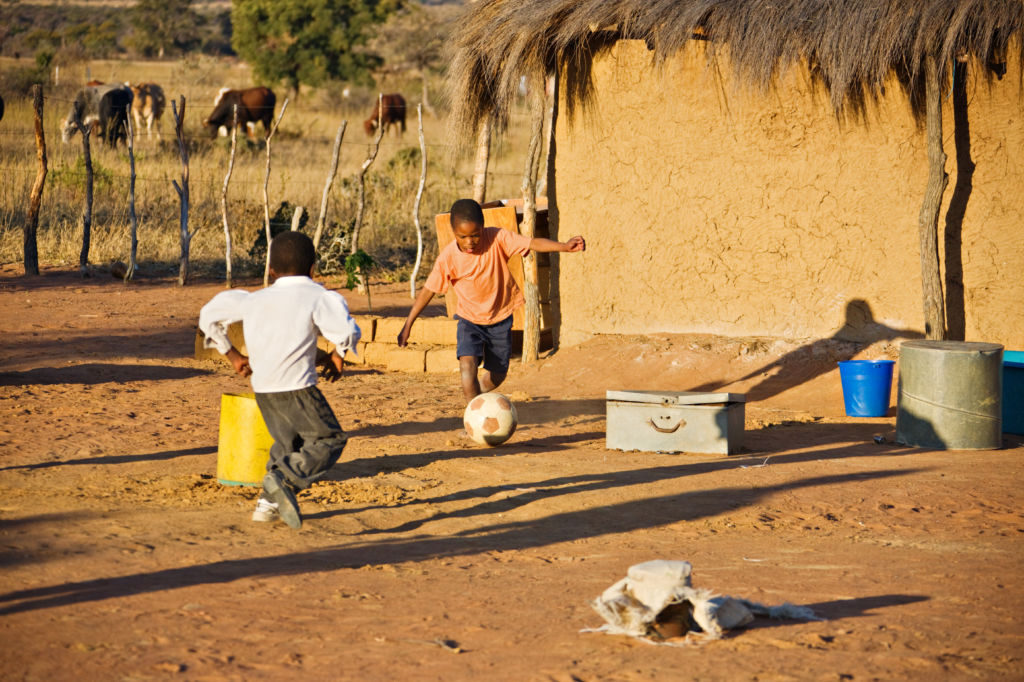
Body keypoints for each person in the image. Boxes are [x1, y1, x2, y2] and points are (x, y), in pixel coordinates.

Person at [198, 231, 360, 529]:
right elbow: (347, 331)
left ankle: (267, 504)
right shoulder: (317, 296)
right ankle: (284, 479)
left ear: (270, 269)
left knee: (288, 444)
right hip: (298, 388)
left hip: (264, 389)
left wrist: (233, 355)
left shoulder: (255, 300)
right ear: (314, 268)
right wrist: (338, 356)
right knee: (329, 439)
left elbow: (208, 316)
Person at [398, 198, 585, 401]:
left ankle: (477, 398)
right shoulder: (448, 258)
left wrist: (564, 246)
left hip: (500, 319)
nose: (470, 242)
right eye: (463, 236)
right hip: (469, 321)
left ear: (483, 228)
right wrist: (408, 324)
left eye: (475, 235)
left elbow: (532, 243)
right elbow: (428, 290)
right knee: (467, 368)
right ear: (453, 232)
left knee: (498, 374)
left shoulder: (497, 238)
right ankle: (474, 418)